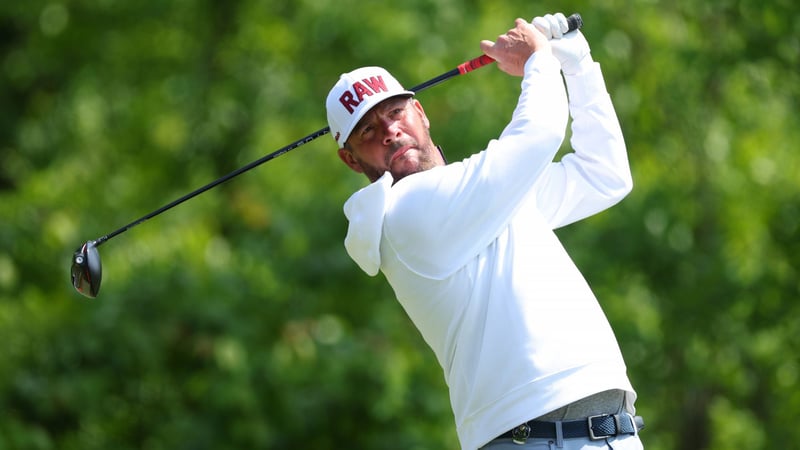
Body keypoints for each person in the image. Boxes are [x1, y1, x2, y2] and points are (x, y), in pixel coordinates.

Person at [325, 12, 643, 450]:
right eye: (367, 130)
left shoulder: (482, 197)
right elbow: (539, 134)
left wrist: (577, 64)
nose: (390, 132)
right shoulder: (402, 213)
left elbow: (604, 175)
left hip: (609, 432)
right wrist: (538, 59)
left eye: (396, 113)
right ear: (351, 159)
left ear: (420, 111)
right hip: (535, 440)